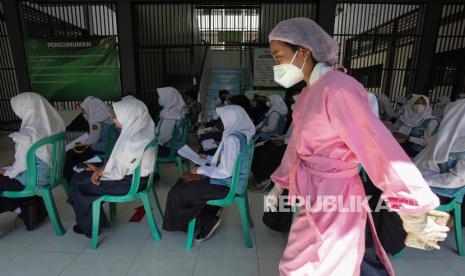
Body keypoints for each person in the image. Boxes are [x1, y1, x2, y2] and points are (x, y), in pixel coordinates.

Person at [265, 18, 447, 276]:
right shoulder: (309, 94)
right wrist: (280, 183)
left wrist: (413, 204)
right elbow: (297, 144)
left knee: (317, 267)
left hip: (337, 194)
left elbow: (378, 148)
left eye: (278, 56)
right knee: (306, 263)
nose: (276, 65)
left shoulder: (339, 89)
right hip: (312, 192)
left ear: (304, 51)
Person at [163, 105, 255, 242]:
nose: (220, 121)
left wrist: (200, 170)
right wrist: (209, 159)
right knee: (185, 183)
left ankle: (208, 220)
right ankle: (210, 211)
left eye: (222, 118)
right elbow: (231, 162)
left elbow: (226, 171)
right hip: (234, 181)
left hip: (227, 185)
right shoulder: (240, 134)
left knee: (179, 191)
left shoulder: (232, 140)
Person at [68, 99, 155, 237]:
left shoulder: (132, 140)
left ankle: (89, 228)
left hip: (128, 183)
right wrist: (101, 169)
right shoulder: (141, 132)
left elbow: (118, 173)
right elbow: (123, 164)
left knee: (80, 183)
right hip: (138, 179)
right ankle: (94, 220)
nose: (113, 118)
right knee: (82, 177)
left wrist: (101, 174)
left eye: (116, 115)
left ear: (128, 116)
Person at [0, 92, 65, 230]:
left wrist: (5, 171)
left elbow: (20, 166)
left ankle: (22, 207)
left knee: (3, 179)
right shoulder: (54, 125)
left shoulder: (27, 133)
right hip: (52, 174)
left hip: (34, 180)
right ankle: (24, 208)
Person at [415, 99, 465, 224]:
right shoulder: (445, 140)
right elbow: (426, 162)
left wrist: (423, 181)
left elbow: (454, 180)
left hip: (445, 192)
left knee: (391, 201)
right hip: (430, 183)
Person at [64, 96, 115, 181]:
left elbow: (94, 139)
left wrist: (81, 144)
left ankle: (70, 180)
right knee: (76, 153)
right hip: (109, 146)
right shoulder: (107, 114)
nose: (84, 112)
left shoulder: (95, 118)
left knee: (69, 155)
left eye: (84, 109)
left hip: (101, 147)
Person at [155, 87, 186, 157]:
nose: (159, 99)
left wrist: (154, 140)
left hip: (170, 149)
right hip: (176, 148)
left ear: (168, 98)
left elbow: (165, 136)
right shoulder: (175, 112)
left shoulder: (170, 116)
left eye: (160, 97)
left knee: (144, 149)